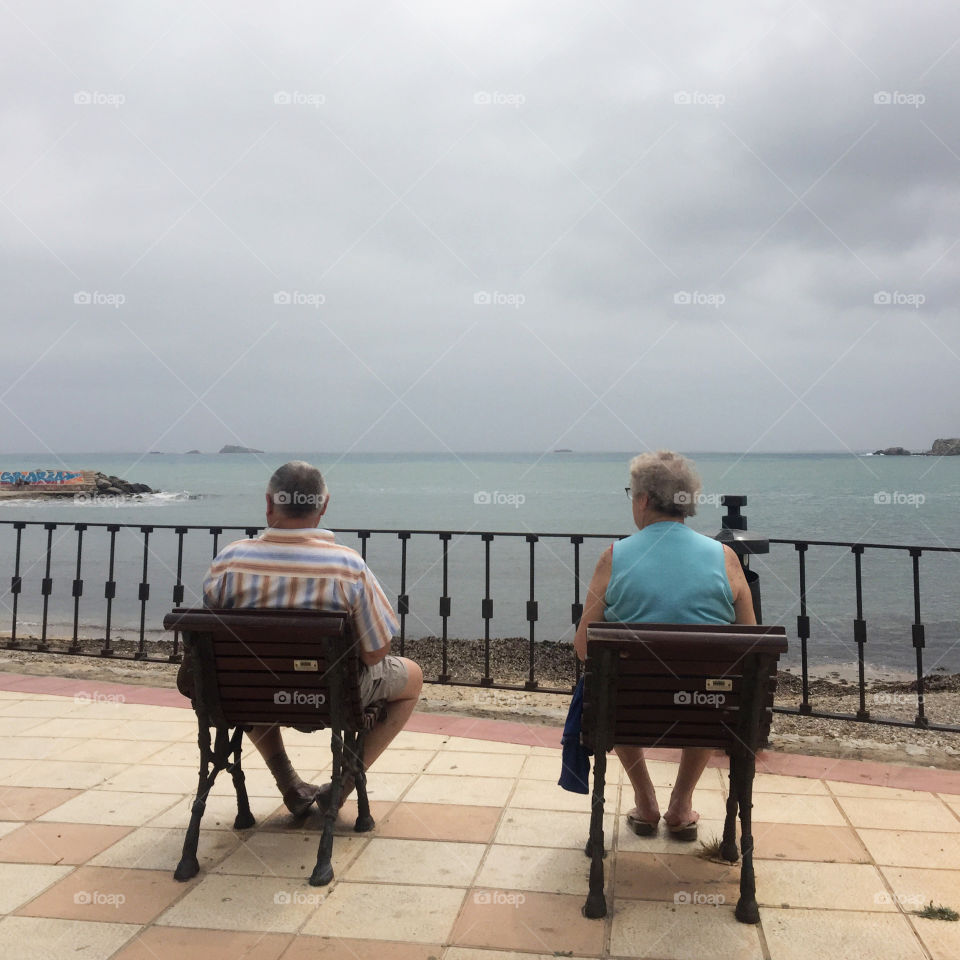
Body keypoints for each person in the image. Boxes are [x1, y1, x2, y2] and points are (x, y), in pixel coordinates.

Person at [195, 460, 423, 816]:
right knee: (413, 676)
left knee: (245, 671)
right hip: (330, 697)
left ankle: (288, 783)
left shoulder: (229, 561)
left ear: (269, 503)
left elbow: (210, 646)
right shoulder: (348, 567)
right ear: (323, 506)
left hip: (252, 693)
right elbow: (375, 652)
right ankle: (342, 786)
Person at [573, 450, 756, 841]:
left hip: (630, 710)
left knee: (610, 688)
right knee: (712, 689)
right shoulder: (725, 558)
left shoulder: (613, 558)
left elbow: (584, 647)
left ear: (642, 500)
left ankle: (645, 799)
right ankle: (681, 803)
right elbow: (751, 647)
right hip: (706, 708)